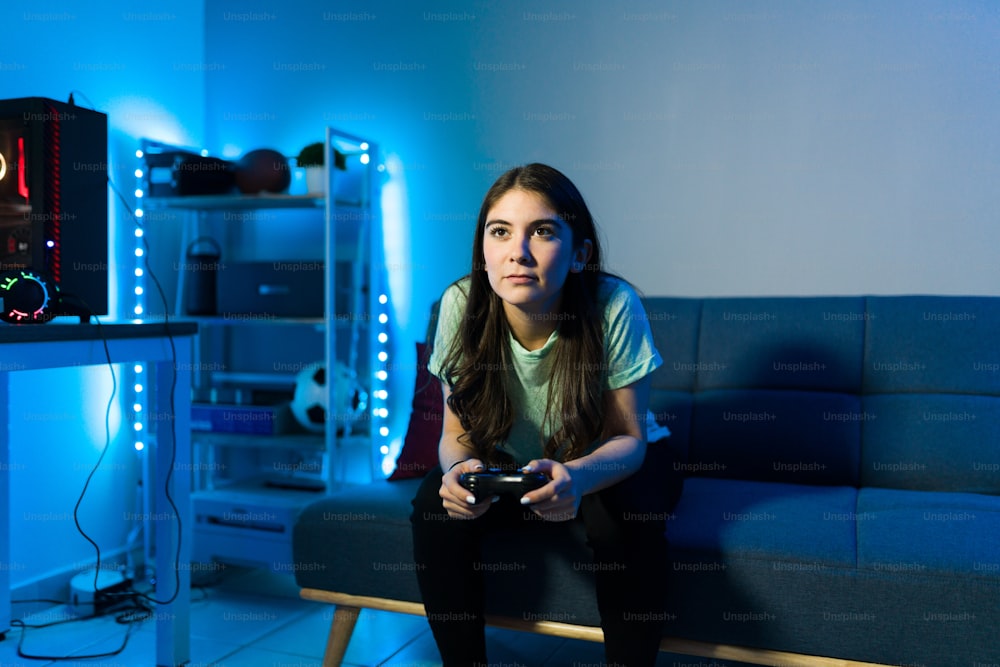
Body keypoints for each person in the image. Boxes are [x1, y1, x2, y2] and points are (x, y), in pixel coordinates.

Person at [411, 163, 678, 666]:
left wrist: (575, 477)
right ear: (484, 251)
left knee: (620, 512)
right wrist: (457, 471)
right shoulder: (459, 304)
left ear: (580, 254)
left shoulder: (613, 305)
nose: (519, 251)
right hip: (514, 463)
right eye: (500, 231)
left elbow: (629, 439)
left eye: (543, 231)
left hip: (609, 460)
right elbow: (456, 435)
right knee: (434, 503)